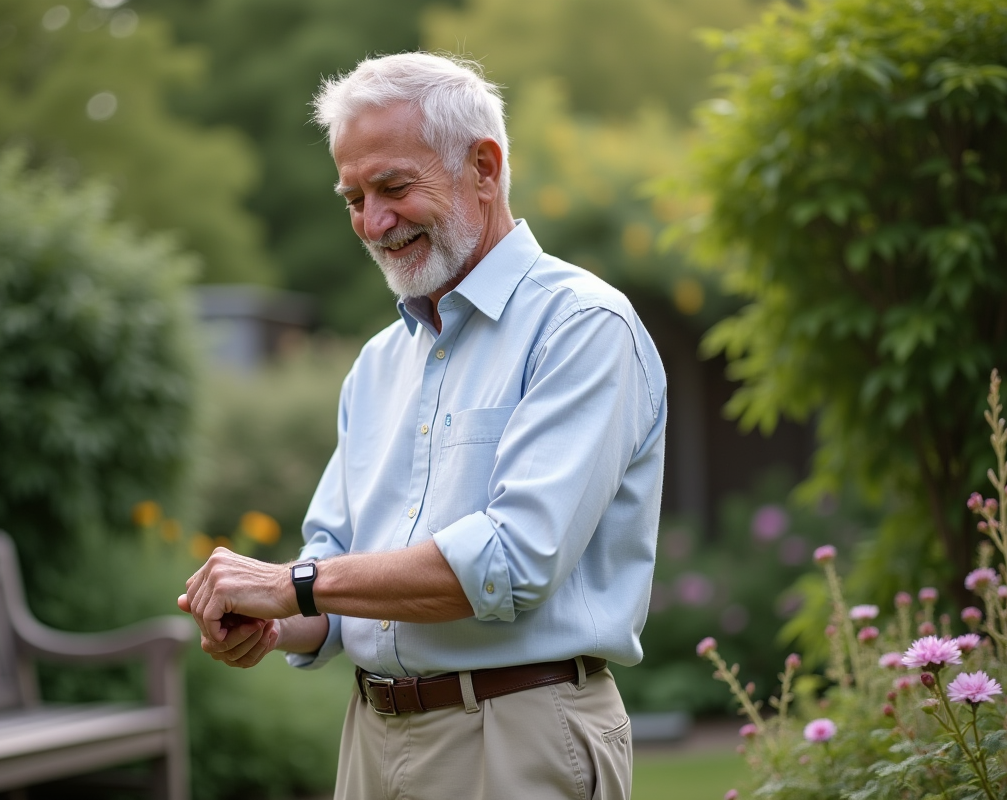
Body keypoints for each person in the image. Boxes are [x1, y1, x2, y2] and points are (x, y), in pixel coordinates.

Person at [179, 51, 666, 800]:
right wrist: (272, 620)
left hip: (516, 736)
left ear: (484, 165)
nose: (373, 222)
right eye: (352, 197)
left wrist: (296, 585)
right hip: (370, 742)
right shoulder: (376, 364)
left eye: (394, 187)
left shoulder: (582, 327)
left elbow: (511, 559)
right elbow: (333, 575)